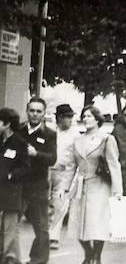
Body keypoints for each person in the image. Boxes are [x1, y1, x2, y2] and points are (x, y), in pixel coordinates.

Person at [66, 105, 123, 264]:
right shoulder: (77, 140)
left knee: (97, 223)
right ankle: (88, 253)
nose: (86, 118)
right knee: (76, 223)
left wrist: (117, 189)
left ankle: (96, 257)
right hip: (81, 185)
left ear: (97, 119)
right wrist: (66, 187)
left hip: (99, 185)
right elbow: (71, 166)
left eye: (89, 116)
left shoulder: (106, 139)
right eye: (84, 116)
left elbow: (114, 164)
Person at [15, 96, 57, 264]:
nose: (34, 114)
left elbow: (52, 159)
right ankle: (8, 255)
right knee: (9, 221)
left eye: (38, 111)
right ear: (27, 112)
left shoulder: (49, 134)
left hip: (38, 185)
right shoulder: (18, 130)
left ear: (44, 113)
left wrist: (36, 154)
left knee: (40, 225)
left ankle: (39, 257)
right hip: (18, 184)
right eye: (32, 110)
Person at [0, 107, 30, 264]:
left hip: (12, 190)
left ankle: (11, 259)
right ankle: (8, 257)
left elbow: (25, 167)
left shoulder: (19, 142)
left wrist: (11, 175)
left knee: (10, 226)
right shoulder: (0, 140)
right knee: (2, 226)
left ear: (7, 124)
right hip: (0, 189)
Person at [48, 104, 77, 250]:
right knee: (41, 204)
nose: (71, 120)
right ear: (60, 117)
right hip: (46, 171)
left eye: (72, 116)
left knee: (59, 205)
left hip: (65, 173)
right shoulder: (49, 131)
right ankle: (43, 234)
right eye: (68, 117)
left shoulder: (75, 135)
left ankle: (53, 237)